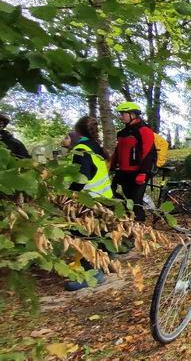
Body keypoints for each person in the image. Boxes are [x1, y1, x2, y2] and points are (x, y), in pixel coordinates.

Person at [62, 116, 112, 290]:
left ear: (78, 131)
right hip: (102, 198)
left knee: (82, 237)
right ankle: (104, 264)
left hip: (88, 200)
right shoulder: (95, 147)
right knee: (96, 235)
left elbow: (82, 176)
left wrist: (70, 195)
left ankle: (92, 274)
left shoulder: (82, 149)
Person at [110, 102, 156, 222]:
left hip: (139, 173)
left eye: (123, 114)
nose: (120, 117)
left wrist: (143, 172)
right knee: (119, 196)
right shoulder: (121, 133)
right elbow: (117, 151)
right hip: (124, 172)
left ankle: (140, 228)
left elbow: (148, 152)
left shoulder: (144, 130)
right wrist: (111, 167)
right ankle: (129, 221)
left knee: (136, 202)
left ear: (132, 114)